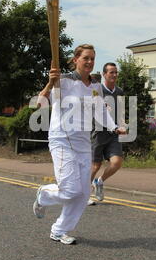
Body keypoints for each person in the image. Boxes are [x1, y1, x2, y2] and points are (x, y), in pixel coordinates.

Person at [33, 44, 126, 245]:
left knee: (83, 193)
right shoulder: (63, 80)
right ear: (76, 60)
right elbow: (39, 104)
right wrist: (50, 83)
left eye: (93, 58)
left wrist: (114, 126)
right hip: (62, 140)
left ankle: (59, 230)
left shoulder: (95, 85)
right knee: (70, 190)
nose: (90, 62)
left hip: (84, 142)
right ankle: (44, 194)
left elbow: (100, 109)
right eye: (86, 58)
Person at [88, 62, 125, 205]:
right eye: (111, 72)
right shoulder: (97, 90)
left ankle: (99, 181)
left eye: (116, 72)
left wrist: (122, 125)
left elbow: (121, 111)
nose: (114, 75)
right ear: (104, 75)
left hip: (114, 133)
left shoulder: (119, 91)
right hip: (98, 132)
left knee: (117, 162)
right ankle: (85, 195)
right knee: (95, 166)